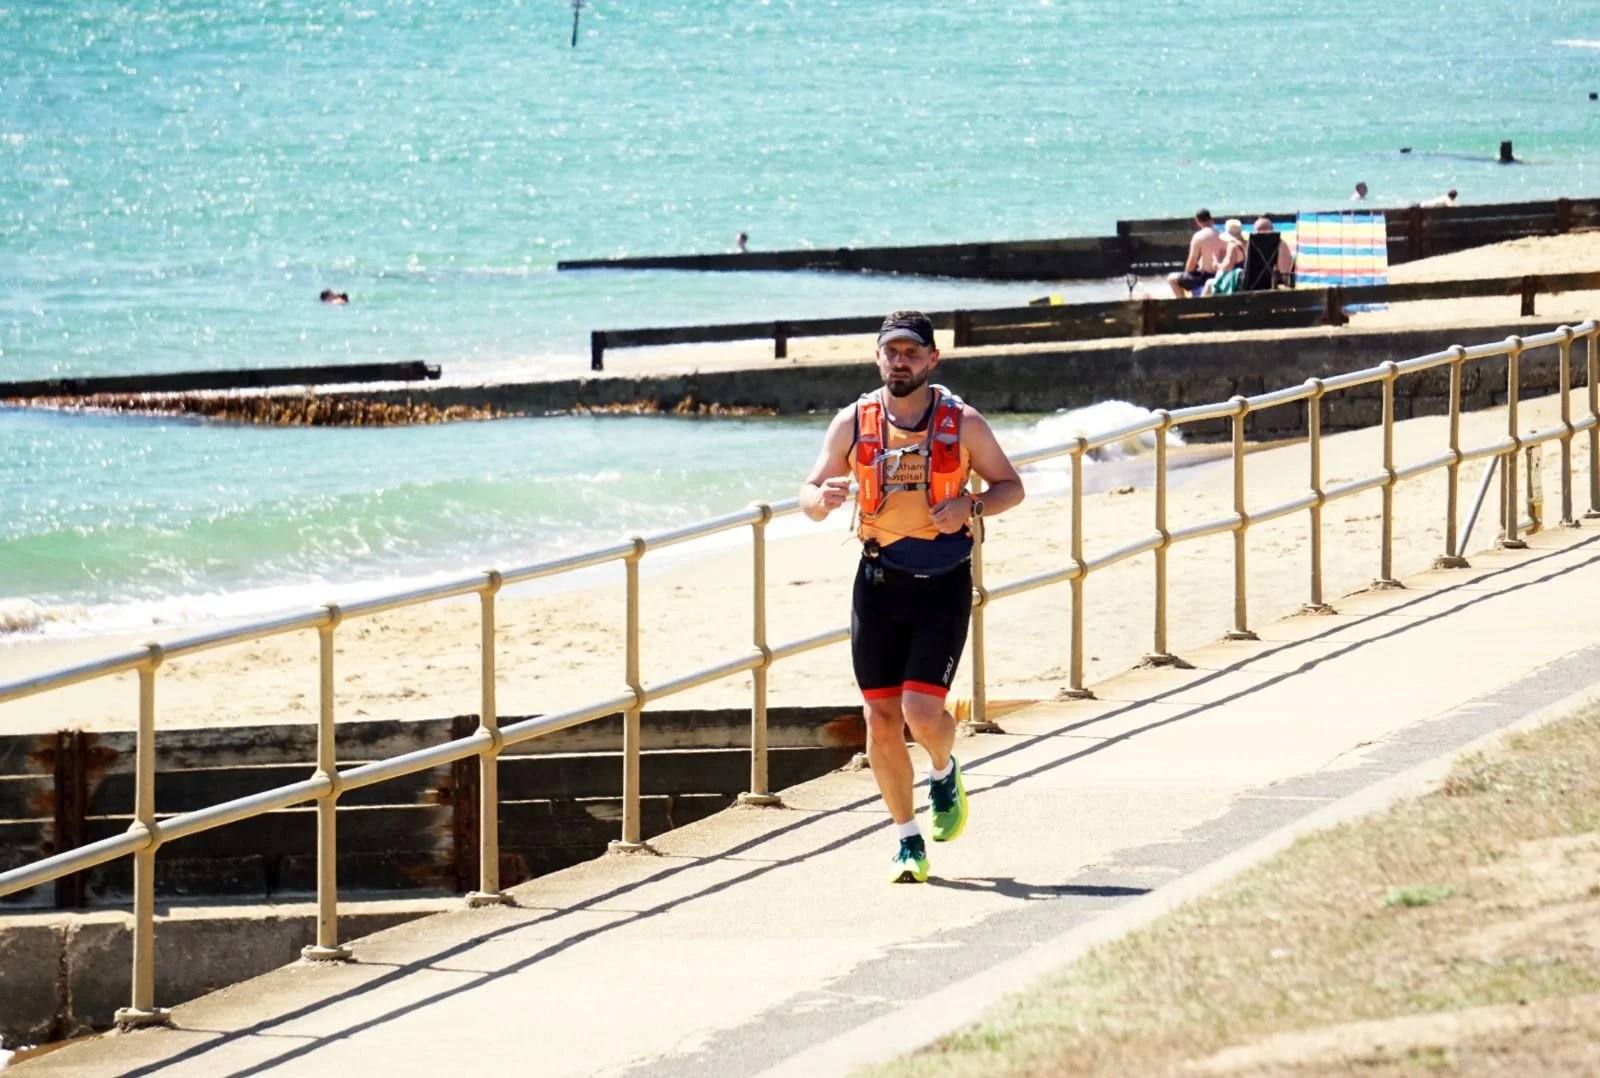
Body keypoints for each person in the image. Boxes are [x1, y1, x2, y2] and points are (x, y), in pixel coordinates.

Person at [800, 311, 1025, 883]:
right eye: (890, 352)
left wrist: (969, 506)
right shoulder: (852, 422)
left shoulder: (963, 422)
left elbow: (1010, 487)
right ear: (878, 358)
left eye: (911, 352)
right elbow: (809, 489)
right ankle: (907, 838)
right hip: (877, 582)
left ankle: (944, 770)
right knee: (879, 719)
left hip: (942, 583)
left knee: (921, 712)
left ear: (932, 360)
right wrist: (820, 499)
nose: (899, 361)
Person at [1167, 209, 1228, 298]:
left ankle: (1183, 305)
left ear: (1197, 221)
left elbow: (1192, 261)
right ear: (1211, 219)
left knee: (1171, 278)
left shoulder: (1199, 236)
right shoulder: (1222, 234)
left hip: (1205, 277)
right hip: (1220, 275)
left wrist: (1187, 273)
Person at [1252, 216, 1296, 281]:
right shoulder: (1280, 244)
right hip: (1274, 284)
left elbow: (1283, 275)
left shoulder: (1280, 245)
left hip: (1266, 284)